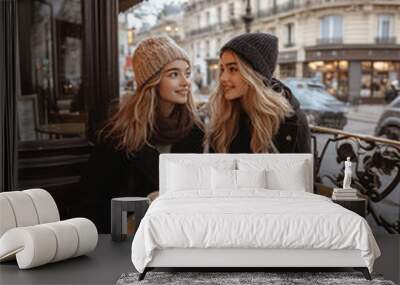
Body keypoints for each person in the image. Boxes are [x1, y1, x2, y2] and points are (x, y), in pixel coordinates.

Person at [80, 36, 204, 233]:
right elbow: (95, 206)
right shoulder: (118, 137)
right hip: (132, 245)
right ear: (151, 81)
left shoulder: (197, 132)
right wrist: (145, 203)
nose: (185, 82)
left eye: (186, 73)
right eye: (173, 74)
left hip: (187, 238)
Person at [205, 33, 311, 153]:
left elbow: (302, 169)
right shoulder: (223, 112)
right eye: (223, 69)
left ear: (254, 75)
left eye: (233, 69)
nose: (223, 78)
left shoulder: (290, 119)